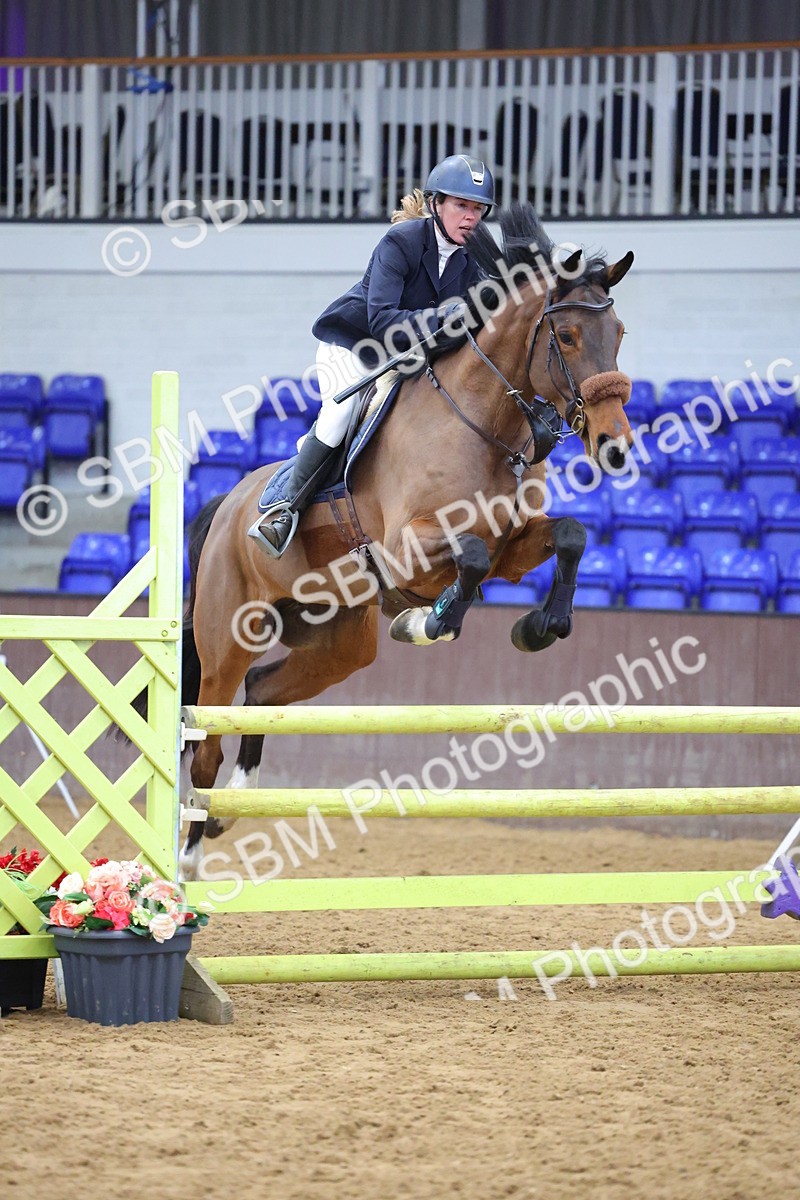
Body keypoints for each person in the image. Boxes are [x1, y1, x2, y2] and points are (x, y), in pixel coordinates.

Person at [248, 153, 496, 558]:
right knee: (339, 416)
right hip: (357, 347)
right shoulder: (400, 243)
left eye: (477, 209)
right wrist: (445, 316)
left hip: (410, 360)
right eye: (461, 205)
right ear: (436, 204)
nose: (470, 217)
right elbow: (382, 320)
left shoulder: (473, 265)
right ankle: (283, 510)